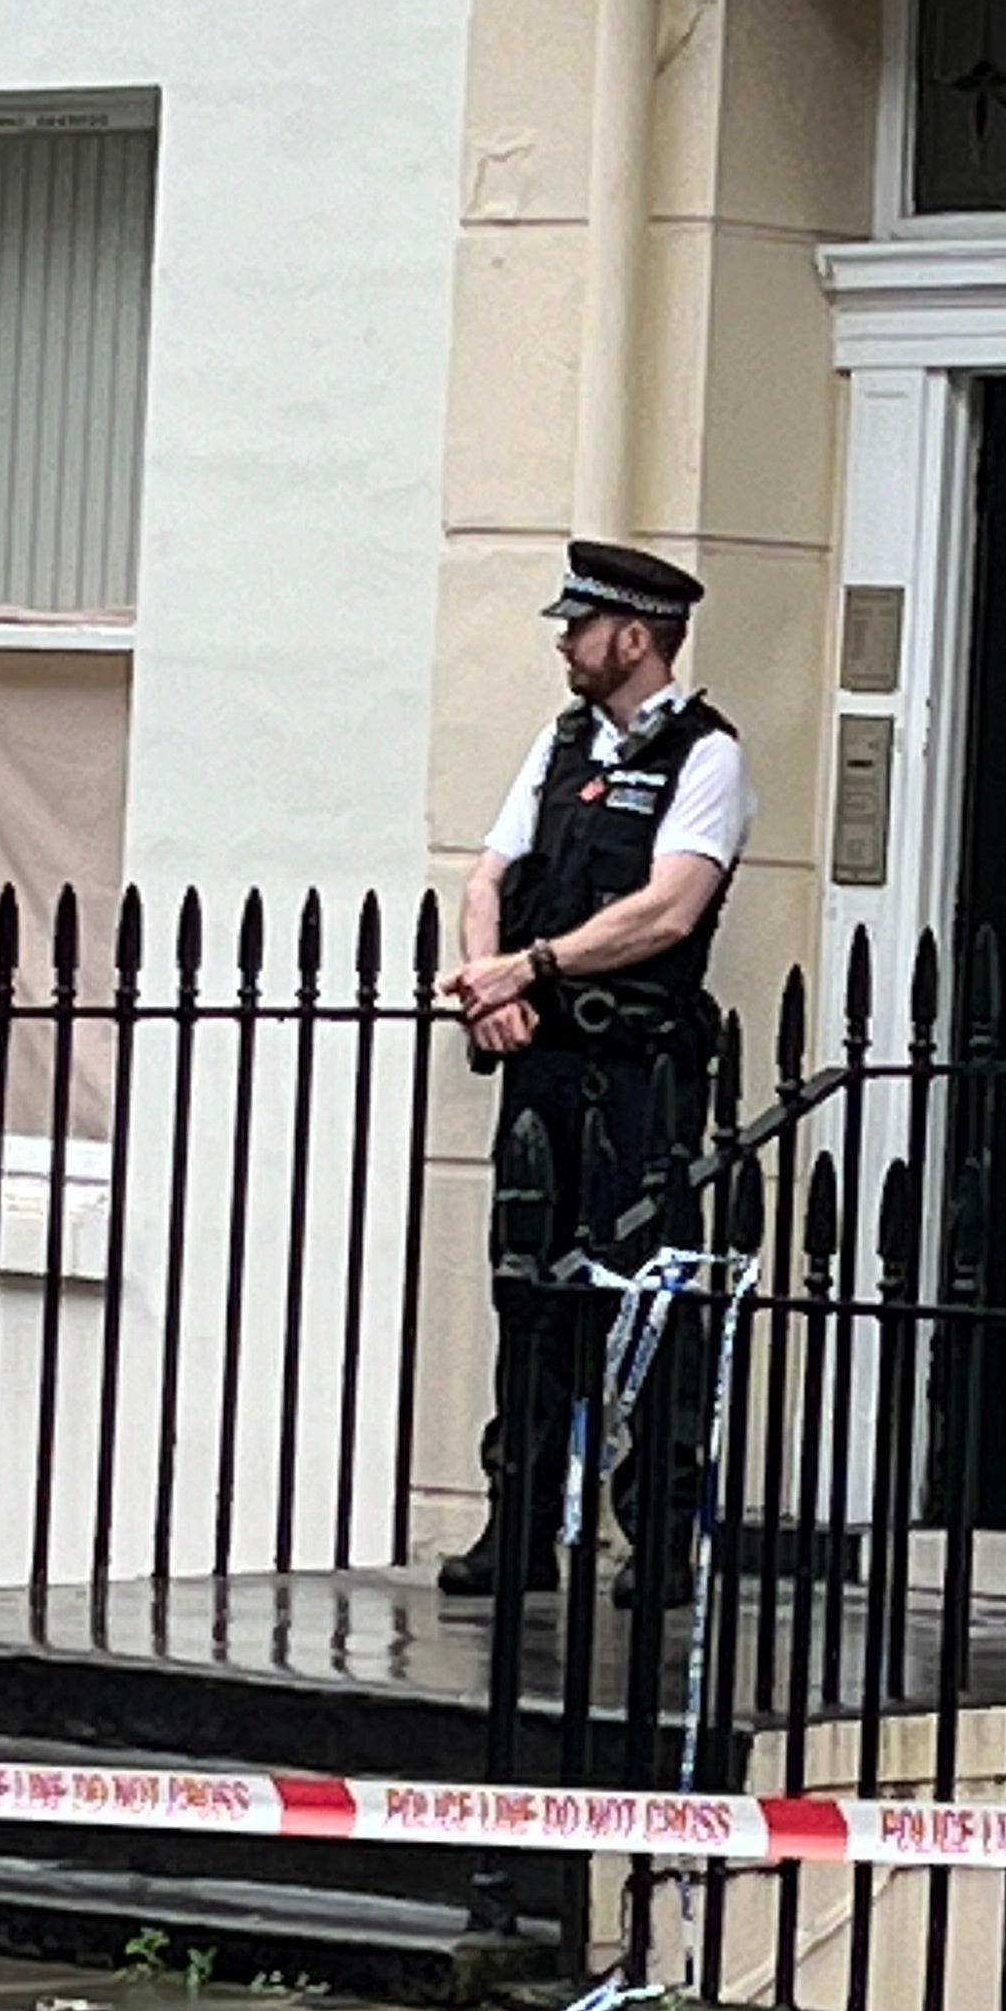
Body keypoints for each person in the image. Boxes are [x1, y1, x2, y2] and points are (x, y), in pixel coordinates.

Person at [434, 540, 754, 1601]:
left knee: (645, 1294)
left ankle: (656, 1540)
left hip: (639, 1067)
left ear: (635, 637)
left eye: (582, 625)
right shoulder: (562, 743)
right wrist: (496, 982)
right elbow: (491, 873)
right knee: (526, 1290)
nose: (566, 641)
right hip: (540, 1057)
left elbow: (671, 906)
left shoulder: (707, 756)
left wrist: (534, 964)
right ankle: (516, 1528)